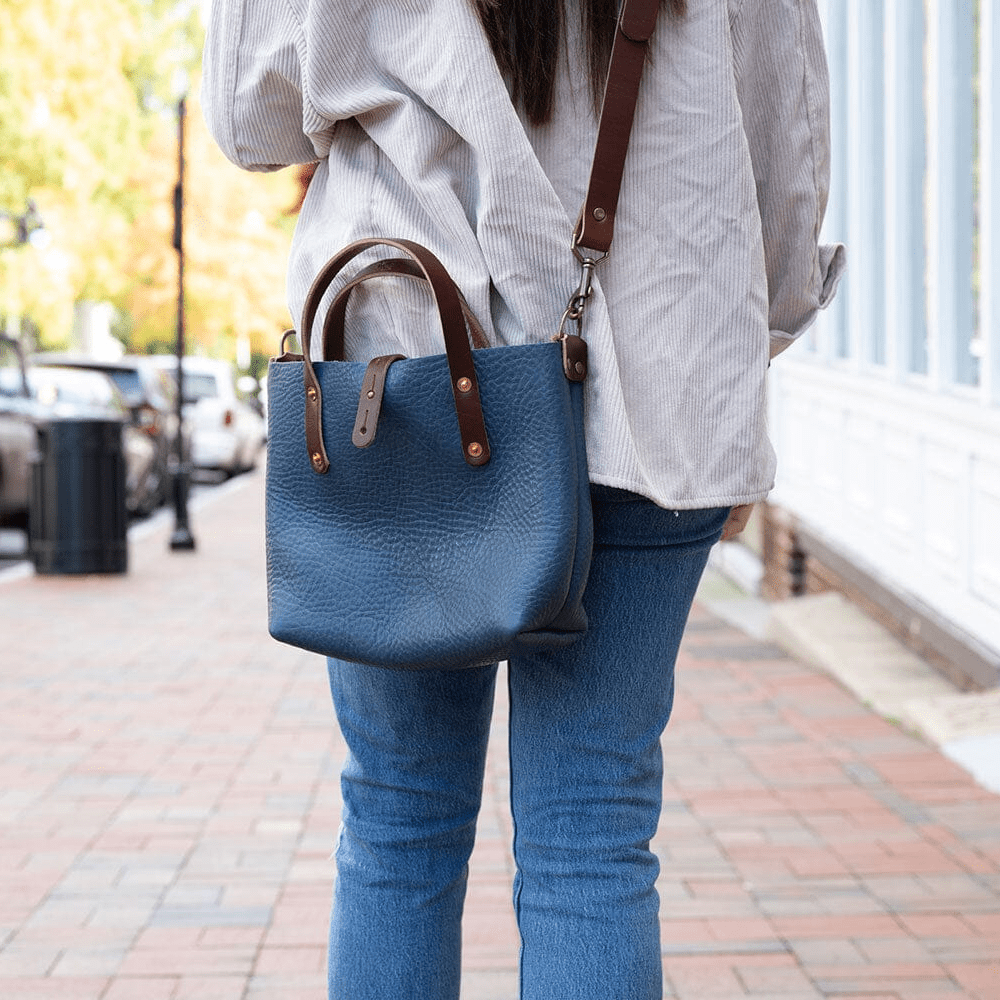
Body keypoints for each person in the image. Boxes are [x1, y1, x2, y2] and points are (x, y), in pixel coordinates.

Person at [202, 0, 844, 996]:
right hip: (658, 375)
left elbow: (252, 116)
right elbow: (781, 132)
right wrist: (752, 358)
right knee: (592, 828)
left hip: (405, 381)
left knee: (399, 817)